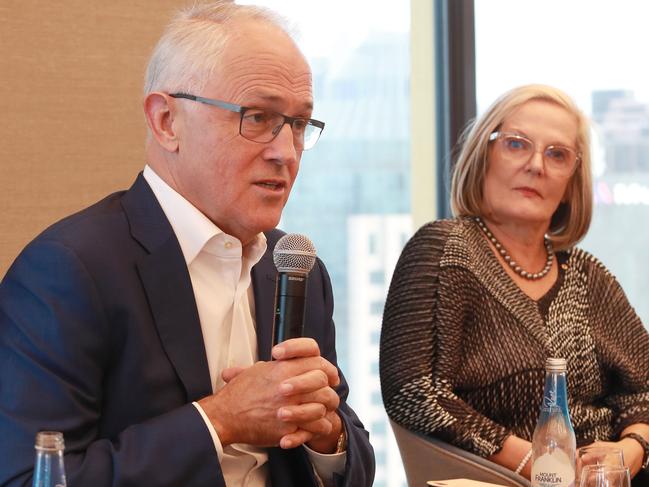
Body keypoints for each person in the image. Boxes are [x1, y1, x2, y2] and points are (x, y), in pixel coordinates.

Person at [0, 2, 374, 486]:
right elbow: (31, 477)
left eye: (299, 125)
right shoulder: (70, 270)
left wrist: (328, 436)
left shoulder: (295, 267)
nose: (284, 152)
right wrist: (219, 420)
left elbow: (357, 464)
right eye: (257, 117)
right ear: (166, 121)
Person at [380, 84, 649, 483]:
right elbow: (416, 392)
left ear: (571, 183)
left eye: (557, 154)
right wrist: (540, 462)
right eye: (517, 145)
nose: (537, 165)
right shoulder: (447, 250)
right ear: (483, 156)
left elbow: (642, 388)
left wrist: (630, 451)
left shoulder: (588, 275)